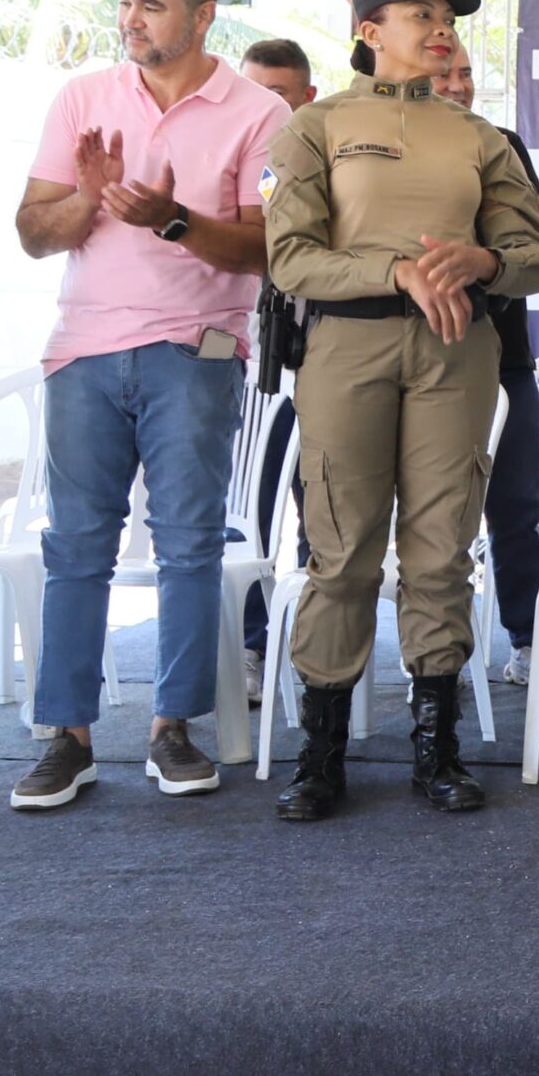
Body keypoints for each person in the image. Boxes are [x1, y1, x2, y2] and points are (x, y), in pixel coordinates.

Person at [261, 0, 539, 822]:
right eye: (420, 14)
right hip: (345, 347)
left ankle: (438, 747)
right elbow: (289, 257)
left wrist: (484, 260)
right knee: (343, 551)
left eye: (448, 18)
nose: (440, 29)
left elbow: (535, 258)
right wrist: (394, 268)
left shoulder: (479, 137)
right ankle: (321, 755)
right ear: (369, 32)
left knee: (440, 551)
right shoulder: (315, 126)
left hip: (456, 351)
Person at [7, 0, 292, 812]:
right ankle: (68, 738)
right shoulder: (83, 96)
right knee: (74, 546)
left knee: (190, 544)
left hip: (196, 349)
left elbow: (267, 248)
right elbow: (33, 231)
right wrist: (88, 199)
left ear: (203, 16)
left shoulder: (261, 111)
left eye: (151, 5)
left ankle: (175, 728)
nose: (130, 19)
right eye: (125, 2)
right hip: (83, 350)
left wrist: (173, 219)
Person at [430, 40, 539, 696]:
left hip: (504, 355)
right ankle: (433, 655)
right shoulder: (386, 150)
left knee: (516, 509)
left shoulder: (503, 142)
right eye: (444, 74)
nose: (459, 86)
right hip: (419, 359)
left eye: (466, 73)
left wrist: (505, 190)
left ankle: (531, 644)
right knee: (429, 518)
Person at [235, 37, 322, 701]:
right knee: (249, 518)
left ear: (306, 97)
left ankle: (320, 653)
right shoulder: (232, 154)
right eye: (251, 90)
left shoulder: (328, 152)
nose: (261, 105)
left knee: (324, 520)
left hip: (325, 364)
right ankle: (250, 647)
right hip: (251, 371)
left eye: (277, 94)